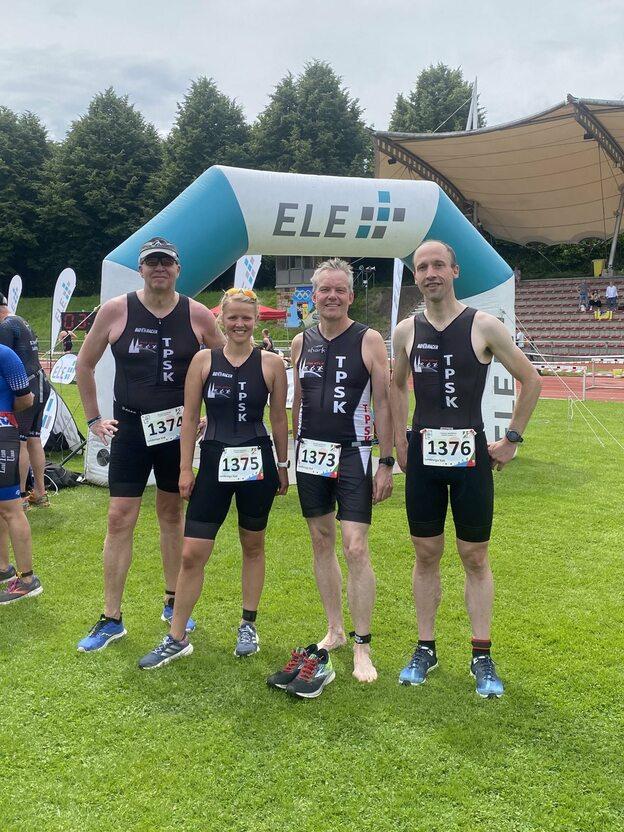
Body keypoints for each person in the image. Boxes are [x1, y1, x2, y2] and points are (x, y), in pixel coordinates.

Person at [390, 240, 542, 698]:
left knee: (474, 556)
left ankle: (481, 653)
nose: (430, 272)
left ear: (455, 271)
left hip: (471, 457)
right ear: (416, 277)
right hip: (423, 460)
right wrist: (400, 439)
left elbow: (531, 380)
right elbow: (396, 386)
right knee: (425, 553)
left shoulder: (483, 325)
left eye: (438, 264)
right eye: (422, 267)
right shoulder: (405, 331)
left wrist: (511, 439)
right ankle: (425, 647)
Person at [75, 237, 225, 652]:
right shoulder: (116, 309)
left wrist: (212, 412)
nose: (159, 268)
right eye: (151, 262)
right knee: (120, 516)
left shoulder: (196, 313)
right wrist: (92, 418)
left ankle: (174, 601)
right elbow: (85, 364)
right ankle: (111, 617)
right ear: (141, 269)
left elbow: (225, 362)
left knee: (170, 512)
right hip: (129, 428)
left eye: (167, 263)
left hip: (176, 431)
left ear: (178, 269)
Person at [138, 287, 289, 669]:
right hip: (215, 460)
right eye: (233, 317)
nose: (239, 324)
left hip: (257, 462)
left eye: (247, 318)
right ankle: (176, 636)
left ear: (255, 321)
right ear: (221, 318)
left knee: (252, 545)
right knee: (192, 553)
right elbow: (190, 417)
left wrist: (284, 465)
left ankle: (248, 624)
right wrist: (185, 468)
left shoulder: (271, 364)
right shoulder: (205, 360)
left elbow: (279, 419)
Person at [285, 258, 394, 691]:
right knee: (320, 540)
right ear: (314, 297)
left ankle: (363, 643)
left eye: (339, 290)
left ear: (350, 295)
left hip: (353, 455)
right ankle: (335, 628)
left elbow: (385, 404)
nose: (331, 296)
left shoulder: (369, 339)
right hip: (310, 455)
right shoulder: (299, 342)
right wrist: (289, 454)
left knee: (354, 547)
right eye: (323, 290)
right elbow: (297, 404)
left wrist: (386, 462)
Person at [0, 343, 43, 604]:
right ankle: (3, 568)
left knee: (10, 508)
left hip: (1, 433)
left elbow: (26, 398)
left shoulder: (5, 354)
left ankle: (27, 580)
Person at [0, 297, 51, 510]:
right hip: (41, 383)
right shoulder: (21, 321)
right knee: (34, 440)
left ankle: (19, 496)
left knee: (18, 442)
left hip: (25, 390)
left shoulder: (5, 326)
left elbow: (4, 360)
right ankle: (40, 493)